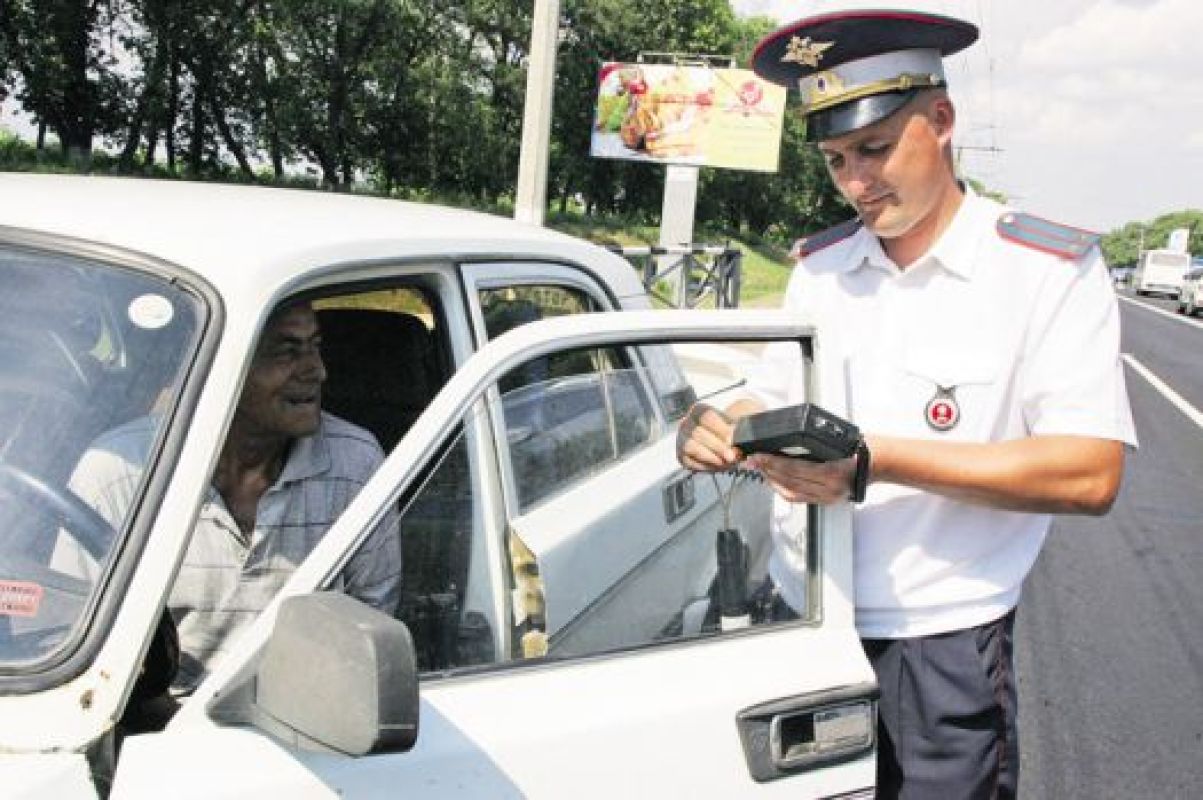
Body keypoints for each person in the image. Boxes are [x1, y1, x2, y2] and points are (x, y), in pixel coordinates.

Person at [677, 10, 1136, 799]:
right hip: (805, 623)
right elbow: (775, 401)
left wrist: (873, 462)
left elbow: (1087, 473)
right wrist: (718, 425)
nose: (856, 182)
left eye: (875, 148)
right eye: (834, 159)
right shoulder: (820, 269)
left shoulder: (1042, 270)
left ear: (943, 120)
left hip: (941, 645)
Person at [62, 300, 402, 695]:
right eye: (287, 352)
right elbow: (68, 636)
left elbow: (370, 624)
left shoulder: (356, 463)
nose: (317, 371)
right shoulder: (119, 471)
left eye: (315, 347)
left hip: (303, 724)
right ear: (221, 367)